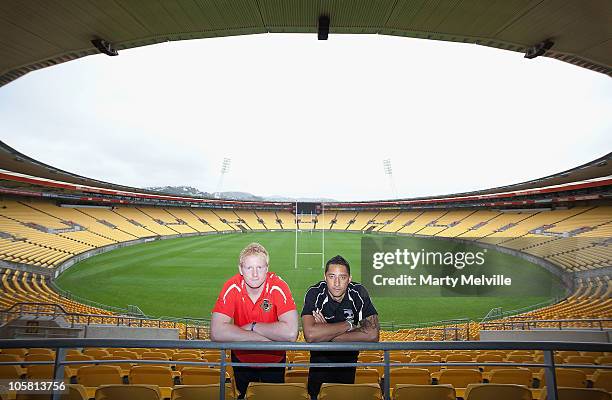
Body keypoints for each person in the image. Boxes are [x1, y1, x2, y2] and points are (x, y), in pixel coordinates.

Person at [210, 243, 298, 398]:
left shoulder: (278, 286)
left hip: (274, 362)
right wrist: (267, 340)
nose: (255, 274)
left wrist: (253, 326)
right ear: (240, 269)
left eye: (260, 267)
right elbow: (216, 332)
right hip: (242, 361)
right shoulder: (232, 286)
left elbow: (291, 333)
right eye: (249, 268)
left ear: (267, 268)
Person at [301, 255, 380, 398]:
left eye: (342, 277)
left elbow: (373, 334)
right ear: (325, 277)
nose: (337, 283)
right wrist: (349, 325)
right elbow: (310, 335)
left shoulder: (359, 293)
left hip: (348, 364)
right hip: (319, 365)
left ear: (349, 279)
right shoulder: (315, 293)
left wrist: (326, 333)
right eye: (332, 276)